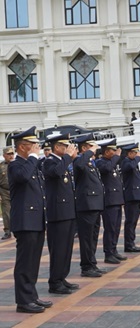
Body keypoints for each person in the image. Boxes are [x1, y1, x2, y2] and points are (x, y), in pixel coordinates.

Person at [9, 126, 52, 313]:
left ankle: (32, 296)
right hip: (25, 221)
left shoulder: (31, 164)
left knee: (33, 261)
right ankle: (23, 301)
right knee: (25, 262)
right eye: (33, 144)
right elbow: (23, 177)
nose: (37, 147)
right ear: (22, 147)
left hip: (36, 219)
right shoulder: (15, 165)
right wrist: (34, 158)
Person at [42, 134, 79, 295]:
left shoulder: (61, 161)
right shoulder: (49, 161)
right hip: (57, 213)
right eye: (65, 146)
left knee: (66, 248)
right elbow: (56, 173)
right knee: (58, 248)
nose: (68, 149)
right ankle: (55, 282)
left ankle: (62, 277)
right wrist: (68, 158)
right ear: (57, 147)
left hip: (67, 211)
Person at [73, 134, 105, 278]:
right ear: (84, 148)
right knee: (86, 238)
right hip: (86, 205)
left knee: (93, 236)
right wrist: (89, 152)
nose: (95, 149)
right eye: (91, 146)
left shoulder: (90, 162)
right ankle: (86, 266)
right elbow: (79, 165)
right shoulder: (80, 160)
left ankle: (92, 263)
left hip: (95, 204)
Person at [96, 139, 127, 264]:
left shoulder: (111, 162)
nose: (115, 152)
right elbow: (107, 169)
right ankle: (108, 253)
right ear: (106, 151)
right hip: (109, 201)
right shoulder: (101, 162)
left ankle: (113, 250)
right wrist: (117, 157)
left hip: (116, 200)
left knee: (116, 227)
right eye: (113, 150)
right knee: (110, 228)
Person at [121, 143, 140, 253]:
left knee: (134, 221)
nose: (136, 155)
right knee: (130, 221)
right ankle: (129, 244)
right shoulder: (126, 162)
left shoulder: (133, 163)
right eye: (135, 153)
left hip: (137, 196)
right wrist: (138, 158)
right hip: (131, 196)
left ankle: (131, 242)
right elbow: (129, 167)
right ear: (129, 153)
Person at [0, 147, 14, 239]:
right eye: (8, 154)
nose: (11, 156)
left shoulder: (18, 164)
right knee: (6, 212)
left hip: (17, 191)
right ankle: (8, 231)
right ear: (4, 155)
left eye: (12, 153)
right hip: (4, 191)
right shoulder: (1, 166)